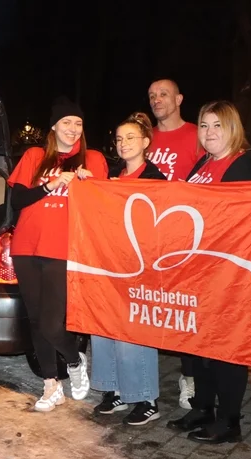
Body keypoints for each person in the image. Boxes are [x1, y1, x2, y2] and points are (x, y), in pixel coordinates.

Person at [166, 100, 251, 443]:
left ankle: (230, 420)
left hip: (227, 274)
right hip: (198, 271)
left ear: (232, 128)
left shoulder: (244, 166)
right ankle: (203, 407)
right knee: (198, 344)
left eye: (217, 126)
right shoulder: (203, 164)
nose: (209, 133)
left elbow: (248, 222)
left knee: (225, 348)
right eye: (204, 126)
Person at [9, 96, 109, 412]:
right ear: (53, 126)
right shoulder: (35, 155)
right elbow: (18, 200)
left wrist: (90, 187)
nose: (73, 128)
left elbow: (104, 207)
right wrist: (50, 186)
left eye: (78, 123)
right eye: (66, 122)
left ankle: (74, 358)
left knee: (52, 323)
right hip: (26, 246)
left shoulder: (92, 159)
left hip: (64, 248)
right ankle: (51, 386)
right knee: (37, 319)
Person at [92, 113, 166, 425]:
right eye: (119, 139)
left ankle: (145, 396)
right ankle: (115, 390)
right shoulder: (110, 177)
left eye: (131, 138)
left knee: (133, 331)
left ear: (146, 142)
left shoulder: (155, 179)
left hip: (139, 267)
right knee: (105, 327)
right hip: (108, 265)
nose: (123, 144)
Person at [146, 78, 203, 409]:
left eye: (163, 94)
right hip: (148, 237)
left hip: (184, 237)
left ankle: (190, 377)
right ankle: (141, 380)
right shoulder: (145, 135)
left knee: (184, 309)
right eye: (152, 96)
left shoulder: (196, 135)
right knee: (149, 306)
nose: (157, 100)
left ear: (179, 98)